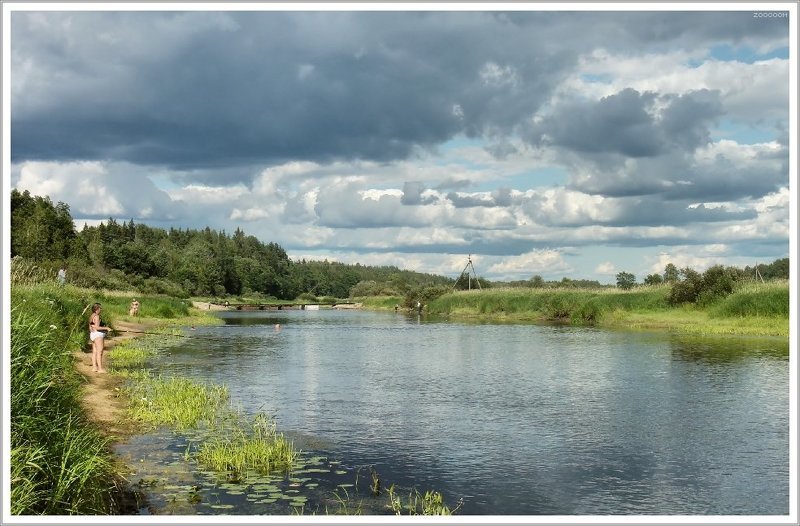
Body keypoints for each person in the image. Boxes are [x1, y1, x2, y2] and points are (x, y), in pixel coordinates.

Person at [88, 303, 110, 373]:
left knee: (94, 352)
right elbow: (97, 327)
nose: (101, 310)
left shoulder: (91, 316)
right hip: (98, 336)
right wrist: (106, 328)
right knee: (99, 352)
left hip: (92, 335)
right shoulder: (97, 316)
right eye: (100, 308)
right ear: (97, 309)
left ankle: (94, 367)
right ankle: (100, 369)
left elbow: (92, 326)